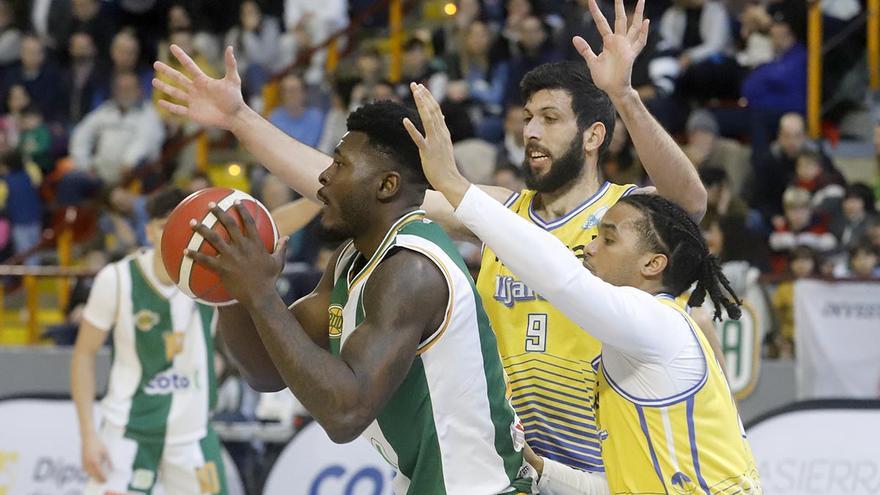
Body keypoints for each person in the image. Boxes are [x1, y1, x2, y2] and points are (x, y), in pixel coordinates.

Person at [152, 0, 707, 480]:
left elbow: (689, 205)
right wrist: (241, 120)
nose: (531, 131)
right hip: (522, 463)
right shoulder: (499, 213)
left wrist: (625, 96)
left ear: (593, 136)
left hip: (607, 462)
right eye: (528, 117)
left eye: (550, 118)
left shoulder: (623, 219)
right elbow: (355, 186)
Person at [405, 81, 760, 495]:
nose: (589, 247)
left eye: (607, 239)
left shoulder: (657, 323)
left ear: (653, 262)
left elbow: (562, 278)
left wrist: (454, 183)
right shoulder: (624, 365)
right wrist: (539, 470)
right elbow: (617, 488)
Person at [184, 102, 534, 494]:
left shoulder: (413, 269)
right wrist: (229, 292)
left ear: (387, 185)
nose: (323, 179)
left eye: (339, 165)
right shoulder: (353, 258)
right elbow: (267, 371)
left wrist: (262, 295)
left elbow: (345, 414)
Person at [71, 187, 229, 495]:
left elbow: (272, 227)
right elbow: (83, 355)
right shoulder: (116, 279)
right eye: (163, 226)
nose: (174, 235)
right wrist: (89, 435)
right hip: (128, 430)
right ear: (148, 231)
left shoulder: (215, 276)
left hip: (193, 434)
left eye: (183, 227)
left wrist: (315, 194)